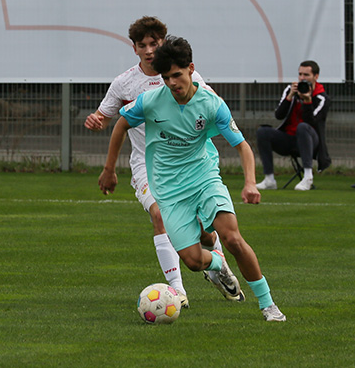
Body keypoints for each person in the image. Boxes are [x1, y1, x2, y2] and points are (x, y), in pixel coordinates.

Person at [101, 35, 286, 321]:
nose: (173, 83)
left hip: (204, 179)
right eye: (166, 78)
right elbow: (121, 124)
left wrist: (250, 182)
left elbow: (242, 146)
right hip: (169, 190)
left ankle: (268, 305)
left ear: (191, 68)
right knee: (192, 261)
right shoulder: (150, 102)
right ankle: (217, 264)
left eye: (177, 75)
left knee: (233, 238)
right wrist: (109, 169)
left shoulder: (211, 103)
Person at [85, 16, 245, 307]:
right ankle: (177, 292)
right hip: (147, 167)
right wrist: (101, 135)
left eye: (154, 44)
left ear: (163, 44)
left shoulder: (189, 78)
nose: (148, 50)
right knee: (158, 217)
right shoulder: (124, 83)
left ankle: (217, 265)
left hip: (187, 165)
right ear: (134, 48)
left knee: (204, 232)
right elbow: (108, 118)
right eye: (142, 45)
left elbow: (209, 108)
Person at [256, 60, 331, 191]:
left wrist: (308, 101)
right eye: (300, 74)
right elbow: (279, 115)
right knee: (263, 131)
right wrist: (290, 96)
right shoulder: (290, 90)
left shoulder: (322, 98)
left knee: (302, 127)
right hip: (289, 139)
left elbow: (312, 123)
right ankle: (269, 179)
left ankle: (308, 177)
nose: (302, 78)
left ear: (316, 77)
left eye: (306, 75)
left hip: (311, 143)